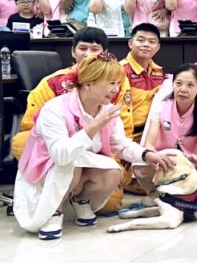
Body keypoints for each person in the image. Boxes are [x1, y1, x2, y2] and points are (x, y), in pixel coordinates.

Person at [13, 53, 174, 240]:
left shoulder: (107, 110)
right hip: (52, 168)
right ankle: (54, 211)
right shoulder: (54, 109)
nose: (116, 89)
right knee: (71, 165)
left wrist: (146, 155)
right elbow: (60, 155)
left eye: (118, 83)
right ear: (88, 84)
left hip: (84, 163)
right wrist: (94, 126)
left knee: (112, 172)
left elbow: (120, 144)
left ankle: (81, 200)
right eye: (111, 83)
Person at [11, 28, 132, 160]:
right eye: (83, 48)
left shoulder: (118, 84)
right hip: (59, 144)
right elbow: (31, 124)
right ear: (73, 51)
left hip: (101, 145)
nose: (88, 54)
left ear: (105, 53)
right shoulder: (52, 82)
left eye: (94, 49)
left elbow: (124, 125)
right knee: (22, 141)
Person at [136, 63, 197, 202]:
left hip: (190, 163)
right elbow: (149, 144)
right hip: (163, 157)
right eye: (178, 83)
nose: (183, 89)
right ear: (172, 85)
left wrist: (195, 159)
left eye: (190, 85)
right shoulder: (160, 107)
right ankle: (155, 196)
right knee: (140, 165)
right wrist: (156, 157)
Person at [120, 23, 165, 143]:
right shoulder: (119, 71)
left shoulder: (159, 72)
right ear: (130, 43)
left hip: (151, 135)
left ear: (158, 47)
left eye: (151, 42)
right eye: (140, 40)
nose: (146, 45)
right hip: (125, 138)